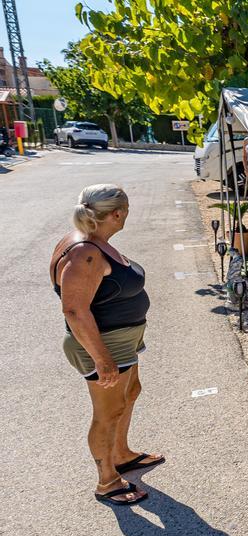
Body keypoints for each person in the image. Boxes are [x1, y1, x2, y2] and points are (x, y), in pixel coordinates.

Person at [50, 184, 163, 506]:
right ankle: (107, 481)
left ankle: (121, 454)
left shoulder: (94, 243)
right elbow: (73, 309)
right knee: (107, 412)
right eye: (126, 211)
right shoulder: (84, 252)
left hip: (123, 339)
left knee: (130, 392)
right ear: (116, 214)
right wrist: (101, 359)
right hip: (105, 344)